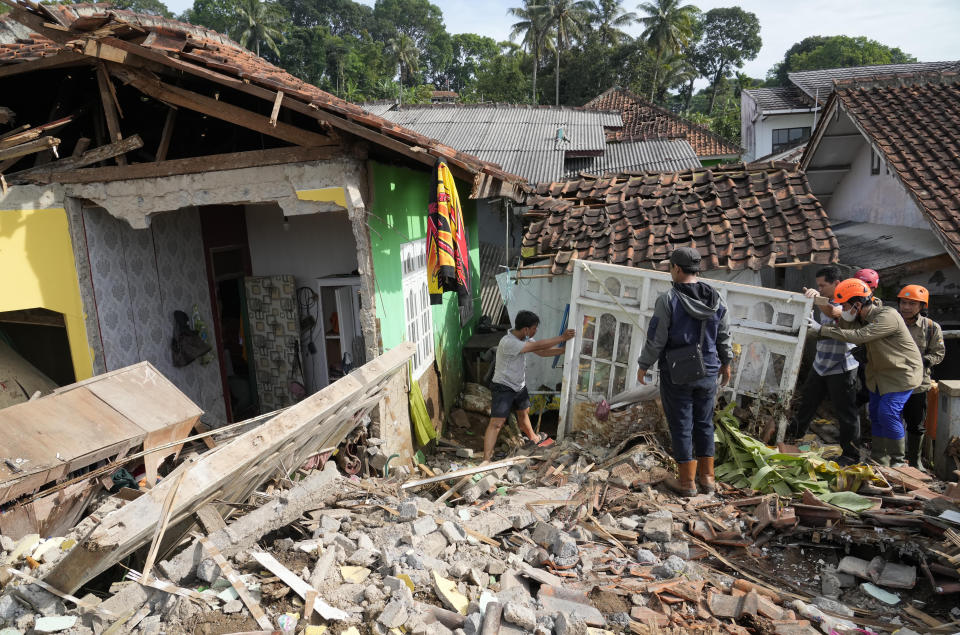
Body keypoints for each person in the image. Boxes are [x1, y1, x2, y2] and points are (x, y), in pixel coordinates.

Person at [636, 247, 733, 497]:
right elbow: (724, 335)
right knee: (704, 423)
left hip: (678, 372)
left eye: (670, 268)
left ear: (677, 269)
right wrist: (727, 363)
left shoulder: (668, 299)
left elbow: (657, 338)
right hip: (709, 370)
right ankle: (708, 479)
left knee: (682, 424)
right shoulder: (716, 298)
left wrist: (644, 364)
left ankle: (687, 483)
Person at [811, 278, 923, 466]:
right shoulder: (861, 318)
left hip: (901, 374)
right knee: (876, 414)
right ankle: (880, 458)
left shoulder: (887, 316)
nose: (843, 311)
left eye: (845, 307)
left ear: (856, 304)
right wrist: (823, 328)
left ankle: (898, 461)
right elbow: (844, 329)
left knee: (888, 412)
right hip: (878, 375)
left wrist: (821, 330)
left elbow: (860, 336)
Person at [787, 267, 860, 465]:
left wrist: (818, 298)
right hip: (821, 363)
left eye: (822, 285)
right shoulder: (825, 300)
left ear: (836, 283)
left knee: (846, 412)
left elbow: (836, 313)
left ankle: (851, 453)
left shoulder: (849, 301)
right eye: (818, 285)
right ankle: (792, 437)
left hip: (842, 365)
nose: (819, 288)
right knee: (807, 403)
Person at [483, 310, 574, 462]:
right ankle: (486, 458)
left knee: (524, 414)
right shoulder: (508, 342)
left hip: (519, 385)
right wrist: (562, 338)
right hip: (504, 386)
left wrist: (565, 350)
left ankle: (533, 438)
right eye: (534, 328)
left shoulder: (523, 339)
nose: (535, 331)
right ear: (526, 329)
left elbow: (543, 352)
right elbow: (538, 345)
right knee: (497, 423)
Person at [897, 285, 945, 468]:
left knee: (915, 424)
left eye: (911, 303)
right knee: (890, 419)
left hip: (918, 384)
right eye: (903, 302)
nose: (906, 307)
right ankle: (896, 459)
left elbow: (939, 354)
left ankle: (915, 460)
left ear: (922, 306)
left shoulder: (931, 327)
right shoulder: (891, 321)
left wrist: (922, 361)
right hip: (892, 382)